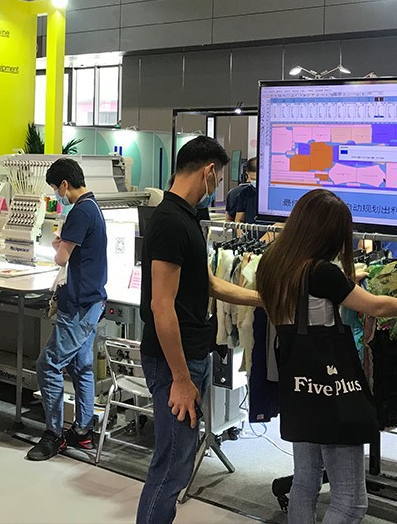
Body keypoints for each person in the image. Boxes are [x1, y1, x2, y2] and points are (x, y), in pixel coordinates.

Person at [256, 189, 397, 524]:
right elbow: (375, 306)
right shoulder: (322, 273)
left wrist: (347, 282)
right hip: (332, 391)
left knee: (305, 482)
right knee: (351, 502)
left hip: (298, 385)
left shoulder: (273, 263)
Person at [136, 137, 264, 524]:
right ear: (209, 171)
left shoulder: (187, 217)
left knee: (178, 461)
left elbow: (208, 283)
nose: (217, 186)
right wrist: (180, 378)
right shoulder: (170, 222)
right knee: (172, 467)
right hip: (174, 363)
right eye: (219, 178)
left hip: (192, 354)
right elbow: (161, 306)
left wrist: (262, 299)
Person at [27, 158, 108, 462]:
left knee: (48, 364)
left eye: (55, 188)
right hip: (92, 300)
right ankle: (83, 429)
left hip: (78, 304)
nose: (57, 195)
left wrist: (58, 247)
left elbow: (62, 258)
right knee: (81, 366)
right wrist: (64, 244)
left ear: (64, 184)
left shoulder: (80, 211)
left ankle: (53, 434)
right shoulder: (93, 207)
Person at [224, 157, 258, 223]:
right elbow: (235, 219)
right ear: (247, 175)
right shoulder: (244, 193)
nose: (256, 182)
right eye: (253, 179)